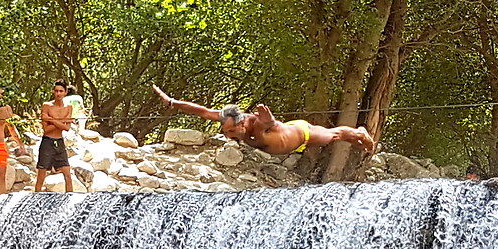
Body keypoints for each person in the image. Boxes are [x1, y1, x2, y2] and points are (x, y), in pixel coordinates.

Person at [153, 86, 377, 158]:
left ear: (241, 124)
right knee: (339, 137)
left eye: (231, 132)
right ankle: (363, 145)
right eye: (227, 132)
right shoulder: (231, 119)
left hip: (302, 135)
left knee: (336, 134)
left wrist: (268, 118)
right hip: (290, 141)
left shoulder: (258, 123)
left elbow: (270, 123)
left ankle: (361, 134)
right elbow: (202, 111)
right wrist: (172, 102)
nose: (228, 135)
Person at [35, 82, 89, 193]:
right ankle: (36, 197)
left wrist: (51, 119)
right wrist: (62, 121)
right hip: (47, 142)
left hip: (59, 142)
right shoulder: (47, 106)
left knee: (67, 174)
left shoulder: (68, 107)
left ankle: (69, 198)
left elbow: (67, 128)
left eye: (61, 91)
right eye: (56, 91)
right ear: (53, 92)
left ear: (65, 92)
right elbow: (46, 129)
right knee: (41, 174)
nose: (58, 93)